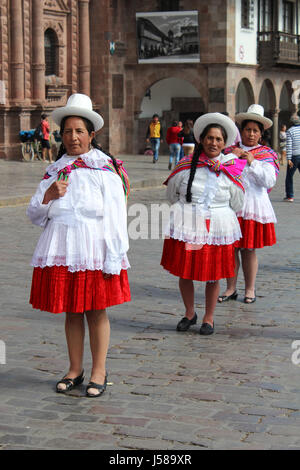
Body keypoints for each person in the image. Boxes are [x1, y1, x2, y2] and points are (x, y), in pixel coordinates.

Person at [27, 93, 131, 397]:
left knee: (96, 310)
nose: (73, 138)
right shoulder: (54, 170)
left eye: (79, 131)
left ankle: (99, 369)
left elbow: (115, 216)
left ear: (91, 135)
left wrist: (114, 255)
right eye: (68, 132)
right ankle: (75, 368)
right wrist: (48, 196)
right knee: (71, 311)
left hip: (94, 249)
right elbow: (34, 213)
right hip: (63, 248)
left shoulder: (104, 170)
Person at [161, 113, 246, 335]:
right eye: (209, 138)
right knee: (185, 272)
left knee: (213, 274)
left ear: (224, 142)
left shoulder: (231, 169)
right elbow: (172, 194)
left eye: (218, 139)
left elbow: (237, 203)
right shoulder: (186, 165)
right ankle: (190, 313)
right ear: (201, 139)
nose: (213, 143)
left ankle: (209, 317)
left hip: (217, 227)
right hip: (189, 224)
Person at [218, 104, 279, 304]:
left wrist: (252, 162)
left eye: (255, 131)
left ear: (261, 133)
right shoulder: (229, 151)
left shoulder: (266, 155)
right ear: (241, 131)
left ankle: (250, 289)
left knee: (249, 249)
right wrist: (233, 157)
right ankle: (230, 288)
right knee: (231, 249)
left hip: (253, 207)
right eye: (247, 130)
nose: (251, 134)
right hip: (231, 207)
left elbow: (269, 181)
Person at [284, 115, 300, 202]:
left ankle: (290, 196)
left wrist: (289, 159)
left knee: (289, 176)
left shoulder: (290, 131)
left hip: (294, 157)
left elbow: (289, 146)